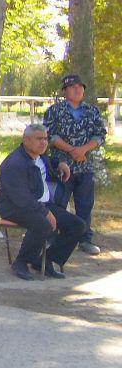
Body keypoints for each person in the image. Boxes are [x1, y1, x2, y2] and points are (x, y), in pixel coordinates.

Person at [0, 123, 84, 280]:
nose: (43, 142)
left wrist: (60, 164)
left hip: (40, 205)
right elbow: (22, 198)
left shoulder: (40, 156)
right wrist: (45, 212)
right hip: (14, 206)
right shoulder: (14, 164)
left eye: (45, 139)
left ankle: (45, 260)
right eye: (39, 139)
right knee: (43, 224)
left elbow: (49, 162)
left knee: (77, 225)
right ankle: (21, 262)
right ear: (26, 140)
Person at [43, 73, 106, 255]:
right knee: (58, 203)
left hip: (85, 165)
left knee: (85, 205)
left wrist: (83, 150)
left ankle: (85, 239)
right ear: (65, 91)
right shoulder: (55, 111)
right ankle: (52, 237)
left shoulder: (92, 111)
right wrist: (71, 150)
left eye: (80, 86)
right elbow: (50, 135)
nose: (77, 89)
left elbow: (100, 135)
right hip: (62, 166)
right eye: (72, 86)